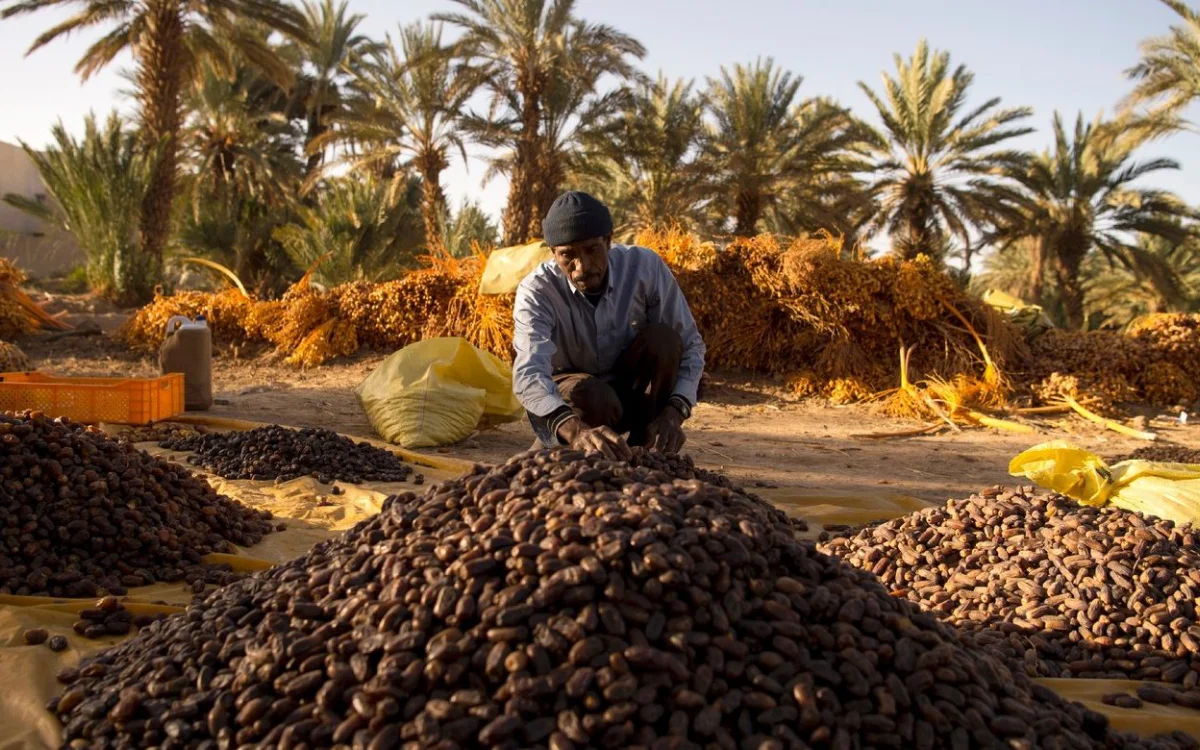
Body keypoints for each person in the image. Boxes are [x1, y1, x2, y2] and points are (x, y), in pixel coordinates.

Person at [512, 190, 706, 459]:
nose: (582, 267)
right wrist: (575, 429)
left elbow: (692, 346)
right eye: (568, 255)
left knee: (665, 340)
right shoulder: (536, 291)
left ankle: (646, 447)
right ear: (553, 253)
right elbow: (529, 374)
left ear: (608, 240)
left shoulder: (644, 267)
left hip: (631, 393)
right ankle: (565, 448)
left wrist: (675, 412)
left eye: (592, 250)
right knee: (594, 395)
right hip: (579, 400)